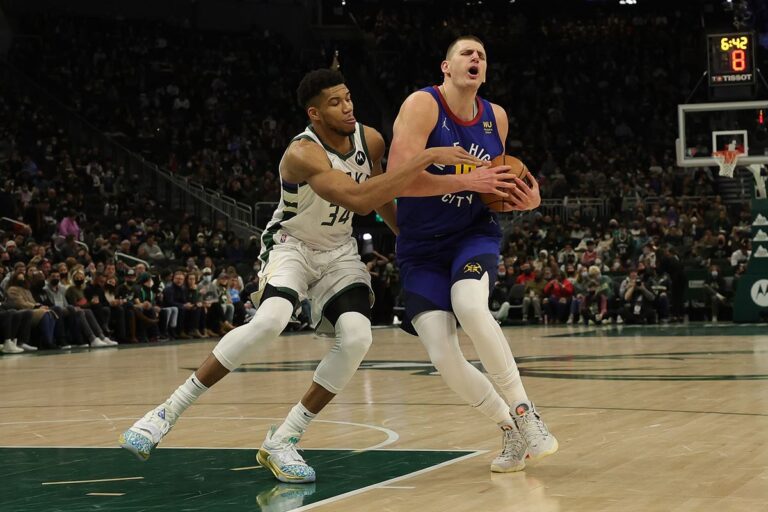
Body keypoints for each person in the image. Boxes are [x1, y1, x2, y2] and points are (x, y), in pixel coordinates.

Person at [119, 68, 510, 483]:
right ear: (315, 113)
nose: (348, 107)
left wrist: (407, 239)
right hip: (293, 246)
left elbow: (382, 193)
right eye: (335, 103)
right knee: (269, 322)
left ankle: (284, 439)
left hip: (339, 251)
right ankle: (164, 413)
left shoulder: (371, 140)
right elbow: (361, 199)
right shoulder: (302, 154)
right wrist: (427, 158)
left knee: (358, 338)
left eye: (349, 97)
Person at [387, 35, 557, 473]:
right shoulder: (422, 105)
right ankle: (509, 428)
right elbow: (397, 179)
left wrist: (526, 199)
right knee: (443, 356)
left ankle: (525, 412)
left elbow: (495, 186)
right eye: (466, 53)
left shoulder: (495, 117)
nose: (476, 58)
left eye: (481, 55)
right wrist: (467, 181)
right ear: (446, 67)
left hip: (471, 234)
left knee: (470, 305)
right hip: (421, 247)